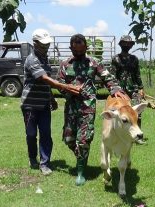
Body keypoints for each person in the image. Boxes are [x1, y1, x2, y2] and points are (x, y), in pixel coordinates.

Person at [58, 34, 127, 186]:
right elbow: (59, 84)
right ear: (71, 49)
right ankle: (80, 158)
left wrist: (114, 89)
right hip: (71, 106)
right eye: (75, 51)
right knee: (68, 139)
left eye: (81, 51)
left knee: (84, 139)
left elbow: (107, 78)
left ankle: (81, 171)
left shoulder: (94, 63)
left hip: (87, 106)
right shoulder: (65, 64)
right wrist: (68, 90)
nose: (78, 54)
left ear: (86, 48)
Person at [20, 29, 80, 176]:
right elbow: (45, 78)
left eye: (47, 44)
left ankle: (45, 163)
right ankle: (32, 158)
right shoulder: (32, 59)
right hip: (30, 105)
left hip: (44, 104)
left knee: (46, 134)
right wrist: (64, 87)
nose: (46, 47)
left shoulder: (45, 59)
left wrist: (51, 98)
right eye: (42, 44)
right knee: (31, 134)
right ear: (35, 43)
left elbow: (46, 83)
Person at [110, 35, 146, 144]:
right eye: (124, 43)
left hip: (133, 89)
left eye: (128, 43)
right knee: (119, 114)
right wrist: (114, 89)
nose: (126, 45)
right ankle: (119, 135)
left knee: (137, 113)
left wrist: (141, 88)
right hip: (120, 91)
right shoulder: (116, 58)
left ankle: (138, 137)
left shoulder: (134, 59)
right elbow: (112, 75)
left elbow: (137, 74)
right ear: (121, 44)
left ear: (131, 45)